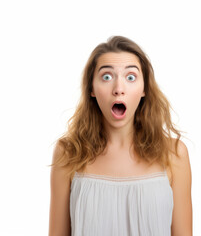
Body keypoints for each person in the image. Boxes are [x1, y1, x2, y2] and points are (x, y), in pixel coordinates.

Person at [48, 36, 192, 236]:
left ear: (144, 89)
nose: (118, 89)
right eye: (106, 77)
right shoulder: (69, 153)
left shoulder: (174, 154)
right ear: (91, 89)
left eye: (130, 77)